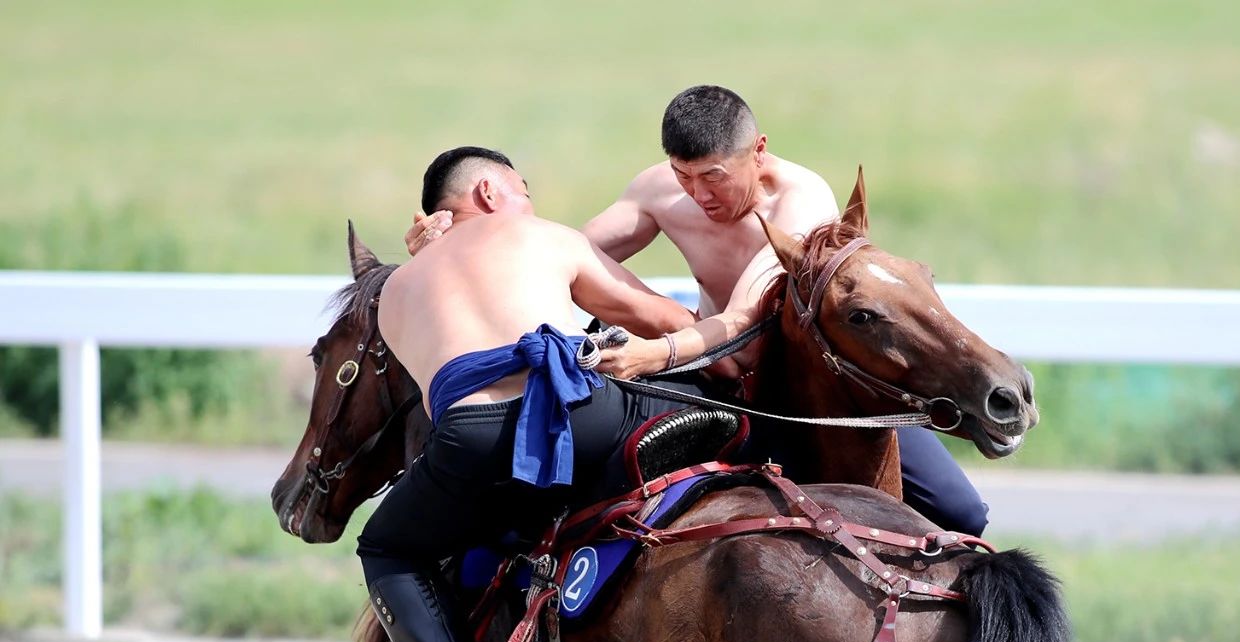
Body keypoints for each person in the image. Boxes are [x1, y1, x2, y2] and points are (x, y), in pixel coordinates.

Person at [406, 86, 990, 536]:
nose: (698, 195)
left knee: (960, 511)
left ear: (757, 153)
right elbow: (558, 253)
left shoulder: (803, 202)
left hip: (813, 386)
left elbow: (741, 319)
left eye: (713, 177)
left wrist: (651, 353)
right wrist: (460, 240)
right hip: (722, 380)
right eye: (684, 177)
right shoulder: (658, 191)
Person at [359, 146, 754, 642]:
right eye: (523, 189)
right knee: (712, 408)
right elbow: (659, 317)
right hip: (584, 410)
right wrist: (730, 353)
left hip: (469, 440)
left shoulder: (397, 288)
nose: (529, 203)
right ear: (490, 192)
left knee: (387, 547)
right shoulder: (541, 236)